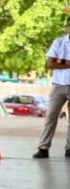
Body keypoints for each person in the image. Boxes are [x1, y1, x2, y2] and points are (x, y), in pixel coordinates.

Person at [33, 17, 70, 159]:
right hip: (59, 85)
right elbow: (50, 64)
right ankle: (43, 148)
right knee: (50, 116)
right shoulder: (59, 42)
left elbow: (56, 62)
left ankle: (69, 148)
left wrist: (62, 61)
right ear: (67, 27)